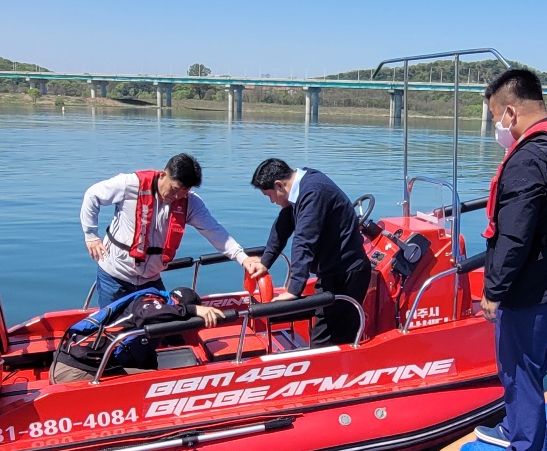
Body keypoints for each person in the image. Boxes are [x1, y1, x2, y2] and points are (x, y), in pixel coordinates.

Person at [471, 69, 547, 451]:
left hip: (533, 285)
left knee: (518, 367)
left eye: (495, 117)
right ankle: (514, 427)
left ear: (510, 111)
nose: (497, 127)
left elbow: (515, 234)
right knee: (528, 364)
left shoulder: (528, 159)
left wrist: (494, 290)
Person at [81, 153, 267, 307]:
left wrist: (243, 258)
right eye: (175, 189)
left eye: (184, 192)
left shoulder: (190, 203)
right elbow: (92, 195)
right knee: (111, 329)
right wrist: (91, 235)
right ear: (163, 175)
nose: (177, 196)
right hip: (115, 275)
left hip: (150, 279)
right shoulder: (129, 185)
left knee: (155, 329)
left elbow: (215, 232)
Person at [248, 159, 371, 346]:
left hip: (346, 275)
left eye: (270, 196)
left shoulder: (314, 192)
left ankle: (335, 371)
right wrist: (266, 261)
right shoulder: (300, 186)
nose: (272, 201)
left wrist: (293, 290)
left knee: (326, 340)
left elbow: (304, 240)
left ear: (279, 185)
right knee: (323, 330)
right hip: (330, 272)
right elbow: (283, 225)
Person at [50, 287, 227, 383]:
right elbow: (148, 313)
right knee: (157, 382)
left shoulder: (152, 311)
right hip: (76, 371)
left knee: (151, 371)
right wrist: (193, 310)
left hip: (77, 364)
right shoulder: (148, 300)